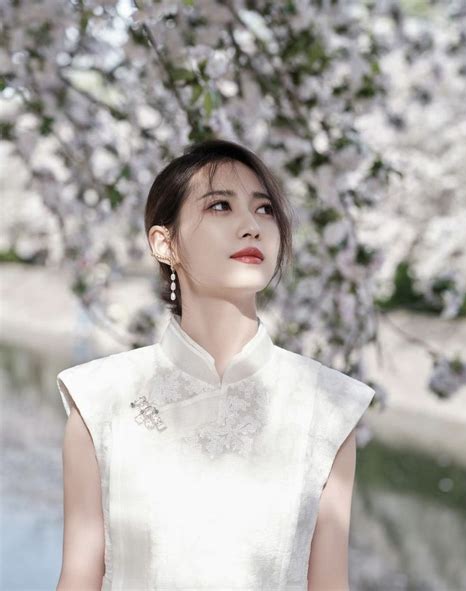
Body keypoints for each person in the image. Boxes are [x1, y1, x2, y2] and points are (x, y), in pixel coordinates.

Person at [56, 138, 375, 591]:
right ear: (165, 243)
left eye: (265, 210)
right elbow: (79, 578)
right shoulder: (99, 398)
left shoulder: (330, 406)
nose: (252, 226)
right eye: (221, 206)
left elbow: (328, 584)